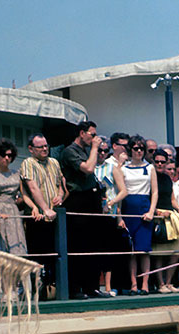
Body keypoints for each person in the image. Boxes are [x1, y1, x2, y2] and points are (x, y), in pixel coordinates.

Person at [60, 120, 104, 299]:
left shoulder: (84, 151)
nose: (95, 138)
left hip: (92, 200)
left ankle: (91, 286)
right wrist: (94, 148)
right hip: (78, 201)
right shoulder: (70, 151)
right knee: (78, 246)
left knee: (94, 246)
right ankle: (75, 288)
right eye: (92, 134)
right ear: (81, 133)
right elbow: (87, 168)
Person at [20, 133, 68, 291]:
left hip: (55, 217)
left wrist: (60, 196)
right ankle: (36, 290)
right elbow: (32, 187)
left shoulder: (54, 162)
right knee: (37, 255)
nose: (44, 149)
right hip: (38, 217)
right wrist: (45, 209)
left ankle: (52, 288)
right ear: (31, 149)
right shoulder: (28, 163)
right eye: (40, 147)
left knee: (54, 254)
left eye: (46, 146)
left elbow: (61, 184)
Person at [121, 135, 157, 295]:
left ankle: (145, 284)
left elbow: (154, 192)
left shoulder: (150, 168)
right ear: (130, 150)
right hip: (128, 207)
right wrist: (120, 217)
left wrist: (151, 211)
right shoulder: (123, 169)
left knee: (144, 249)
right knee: (132, 250)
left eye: (141, 148)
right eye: (136, 148)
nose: (139, 151)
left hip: (144, 207)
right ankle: (133, 284)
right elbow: (120, 193)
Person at [94, 137, 128, 296]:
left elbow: (123, 191)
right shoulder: (90, 167)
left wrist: (111, 203)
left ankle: (108, 287)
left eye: (105, 151)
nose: (102, 153)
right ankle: (93, 286)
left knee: (108, 250)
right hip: (92, 212)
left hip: (109, 213)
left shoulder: (111, 167)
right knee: (94, 250)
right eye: (99, 150)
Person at [152, 148, 179, 293]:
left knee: (176, 252)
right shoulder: (151, 176)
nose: (159, 164)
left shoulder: (167, 178)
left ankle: (169, 282)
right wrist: (157, 212)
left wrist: (178, 208)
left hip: (170, 216)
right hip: (157, 217)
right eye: (157, 161)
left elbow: (172, 199)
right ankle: (160, 284)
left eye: (162, 162)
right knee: (159, 253)